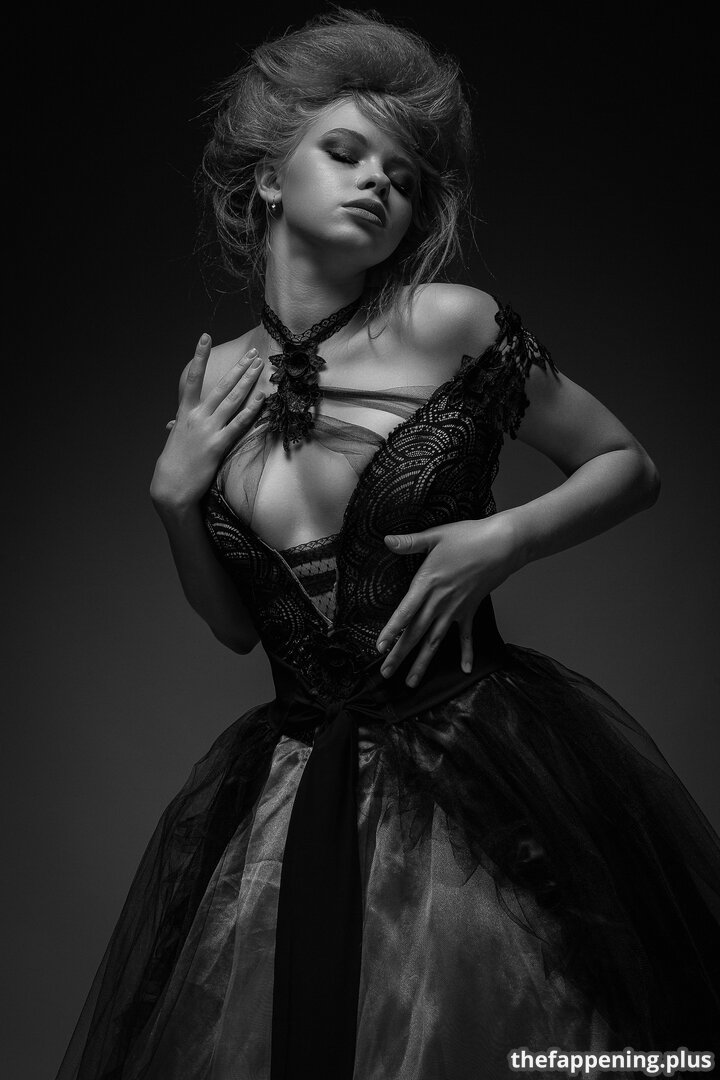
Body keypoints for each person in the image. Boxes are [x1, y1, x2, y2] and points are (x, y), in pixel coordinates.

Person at [56, 9, 720, 1079]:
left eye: (403, 178)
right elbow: (237, 631)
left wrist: (501, 539)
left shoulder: (447, 321)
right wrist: (173, 500)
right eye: (346, 152)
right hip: (291, 791)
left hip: (470, 766)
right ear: (270, 179)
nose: (378, 183)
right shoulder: (213, 379)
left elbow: (627, 466)